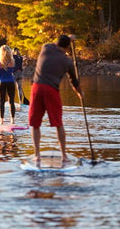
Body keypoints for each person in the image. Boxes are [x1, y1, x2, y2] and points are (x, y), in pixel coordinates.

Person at [29, 34, 82, 163]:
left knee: (35, 124)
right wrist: (80, 94)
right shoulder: (67, 62)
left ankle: (37, 155)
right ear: (68, 47)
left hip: (36, 88)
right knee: (58, 124)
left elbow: (53, 43)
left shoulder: (45, 48)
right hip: (51, 90)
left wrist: (68, 37)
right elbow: (74, 82)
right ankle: (64, 156)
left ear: (56, 43)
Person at [0, 45, 16, 125]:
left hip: (2, 82)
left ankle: (1, 120)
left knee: (2, 101)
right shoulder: (12, 61)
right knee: (11, 101)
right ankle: (12, 120)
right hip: (11, 82)